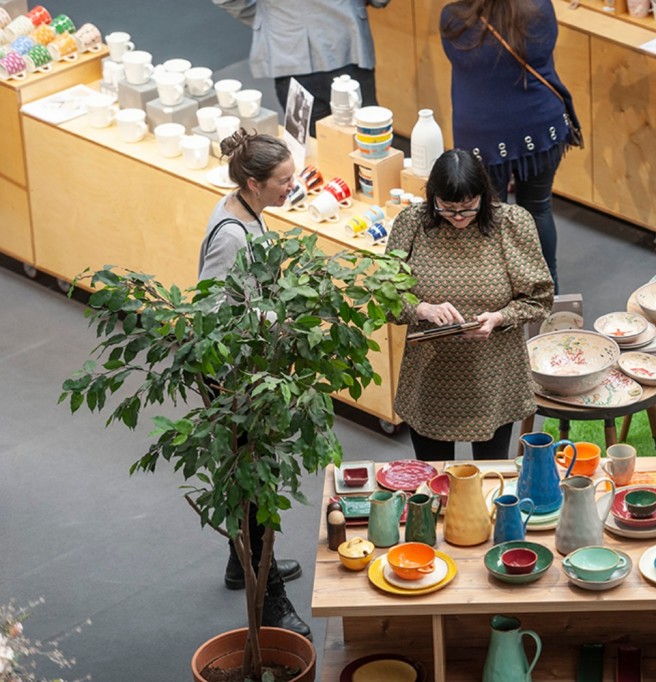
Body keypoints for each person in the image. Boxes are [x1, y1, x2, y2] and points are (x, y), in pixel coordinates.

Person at [197, 130, 310, 639]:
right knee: (255, 477)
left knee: (250, 474)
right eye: (284, 181)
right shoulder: (232, 235)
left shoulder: (244, 208)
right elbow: (213, 313)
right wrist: (276, 323)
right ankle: (271, 602)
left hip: (247, 366)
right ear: (253, 182)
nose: (292, 186)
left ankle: (241, 566)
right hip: (232, 377)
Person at [386, 149, 554, 461]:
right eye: (448, 210)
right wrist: (421, 309)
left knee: (492, 476)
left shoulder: (512, 223)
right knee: (431, 477)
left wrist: (500, 317)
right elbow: (385, 298)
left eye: (468, 208)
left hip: (493, 376)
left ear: (484, 195)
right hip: (431, 378)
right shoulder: (412, 224)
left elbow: (540, 299)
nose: (459, 218)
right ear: (433, 197)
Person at [440, 0, 581, 293]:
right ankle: (546, 290)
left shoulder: (454, 19)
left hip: (485, 139)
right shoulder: (540, 9)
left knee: (490, 216)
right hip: (542, 127)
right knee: (538, 207)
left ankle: (500, 296)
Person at [212, 0, 388, 138]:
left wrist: (268, 20)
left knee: (306, 144)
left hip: (287, 51)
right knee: (368, 137)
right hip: (346, 46)